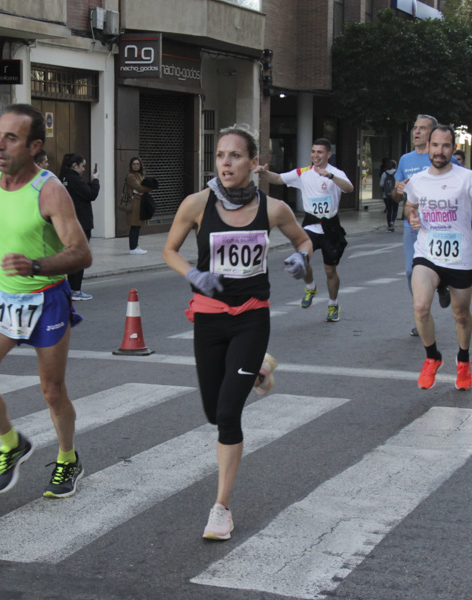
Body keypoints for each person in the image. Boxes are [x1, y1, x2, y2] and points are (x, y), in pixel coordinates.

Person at [163, 124, 311, 540]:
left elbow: (303, 241)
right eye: (220, 156)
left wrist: (302, 260)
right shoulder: (196, 204)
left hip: (251, 316)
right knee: (212, 412)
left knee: (228, 415)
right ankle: (260, 369)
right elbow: (169, 250)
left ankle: (221, 508)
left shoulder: (273, 208)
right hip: (209, 316)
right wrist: (194, 273)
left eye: (235, 156)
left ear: (253, 162)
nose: (225, 163)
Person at [0, 103, 91, 498]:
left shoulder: (50, 191)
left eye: (11, 138)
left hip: (45, 298)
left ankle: (68, 458)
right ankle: (11, 442)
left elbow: (82, 253)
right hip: (2, 298)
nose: (0, 146)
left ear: (34, 146)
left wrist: (35, 264)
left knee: (52, 391)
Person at [406, 125, 472, 390]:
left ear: (453, 148)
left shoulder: (468, 178)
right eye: (435, 145)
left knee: (461, 315)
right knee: (421, 307)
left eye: (446, 146)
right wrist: (412, 216)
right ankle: (432, 357)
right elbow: (409, 206)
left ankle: (464, 360)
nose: (439, 151)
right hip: (427, 253)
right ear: (428, 147)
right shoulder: (419, 180)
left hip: (459, 258)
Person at [256, 138, 353, 322]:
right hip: (310, 225)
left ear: (328, 155)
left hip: (331, 228)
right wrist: (263, 172)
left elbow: (349, 188)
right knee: (302, 257)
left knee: (330, 271)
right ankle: (310, 287)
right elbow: (278, 178)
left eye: (320, 152)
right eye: (313, 151)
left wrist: (331, 177)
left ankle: (333, 304)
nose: (316, 155)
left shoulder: (336, 173)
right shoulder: (303, 173)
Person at [393, 115, 460, 336]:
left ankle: (441, 285)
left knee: (442, 268)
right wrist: (399, 190)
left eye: (422, 129)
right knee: (412, 271)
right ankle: (421, 316)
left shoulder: (442, 158)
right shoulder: (405, 160)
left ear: (432, 136)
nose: (416, 132)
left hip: (440, 226)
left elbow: (459, 186)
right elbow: (395, 196)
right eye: (415, 128)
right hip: (412, 225)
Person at [60, 152, 99, 301]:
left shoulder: (63, 178)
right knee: (80, 256)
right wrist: (95, 180)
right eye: (82, 166)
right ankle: (75, 289)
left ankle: (72, 288)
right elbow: (91, 194)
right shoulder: (73, 179)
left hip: (70, 222)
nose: (84, 169)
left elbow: (83, 193)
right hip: (80, 222)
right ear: (75, 165)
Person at [122, 157, 152, 255]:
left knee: (138, 226)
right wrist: (147, 188)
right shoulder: (131, 176)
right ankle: (133, 248)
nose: (135, 165)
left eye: (137, 164)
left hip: (140, 203)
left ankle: (135, 246)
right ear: (131, 165)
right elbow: (139, 187)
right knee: (134, 225)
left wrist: (144, 189)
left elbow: (142, 188)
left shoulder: (139, 175)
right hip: (134, 204)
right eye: (134, 164)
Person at [379, 158, 398, 232]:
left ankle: (389, 227)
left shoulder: (384, 173)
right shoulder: (397, 173)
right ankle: (392, 221)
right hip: (395, 194)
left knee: (389, 210)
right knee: (395, 210)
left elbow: (381, 184)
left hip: (386, 195)